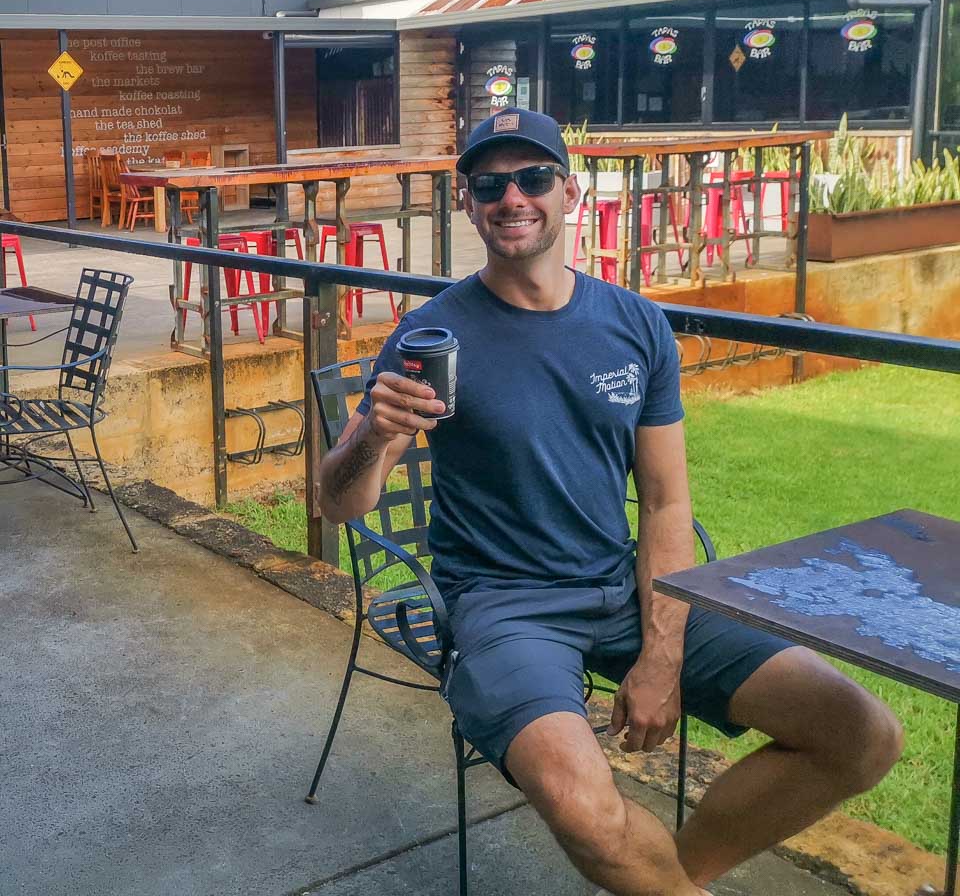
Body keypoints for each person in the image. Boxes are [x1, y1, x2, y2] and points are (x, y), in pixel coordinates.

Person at [317, 109, 903, 896]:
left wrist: (661, 655)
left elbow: (665, 504)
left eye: (533, 178)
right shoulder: (433, 338)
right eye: (490, 184)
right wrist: (369, 436)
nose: (512, 197)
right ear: (468, 204)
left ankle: (661, 881)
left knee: (861, 734)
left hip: (627, 586)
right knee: (583, 809)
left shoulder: (635, 325)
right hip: (502, 605)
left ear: (570, 192)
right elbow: (338, 506)